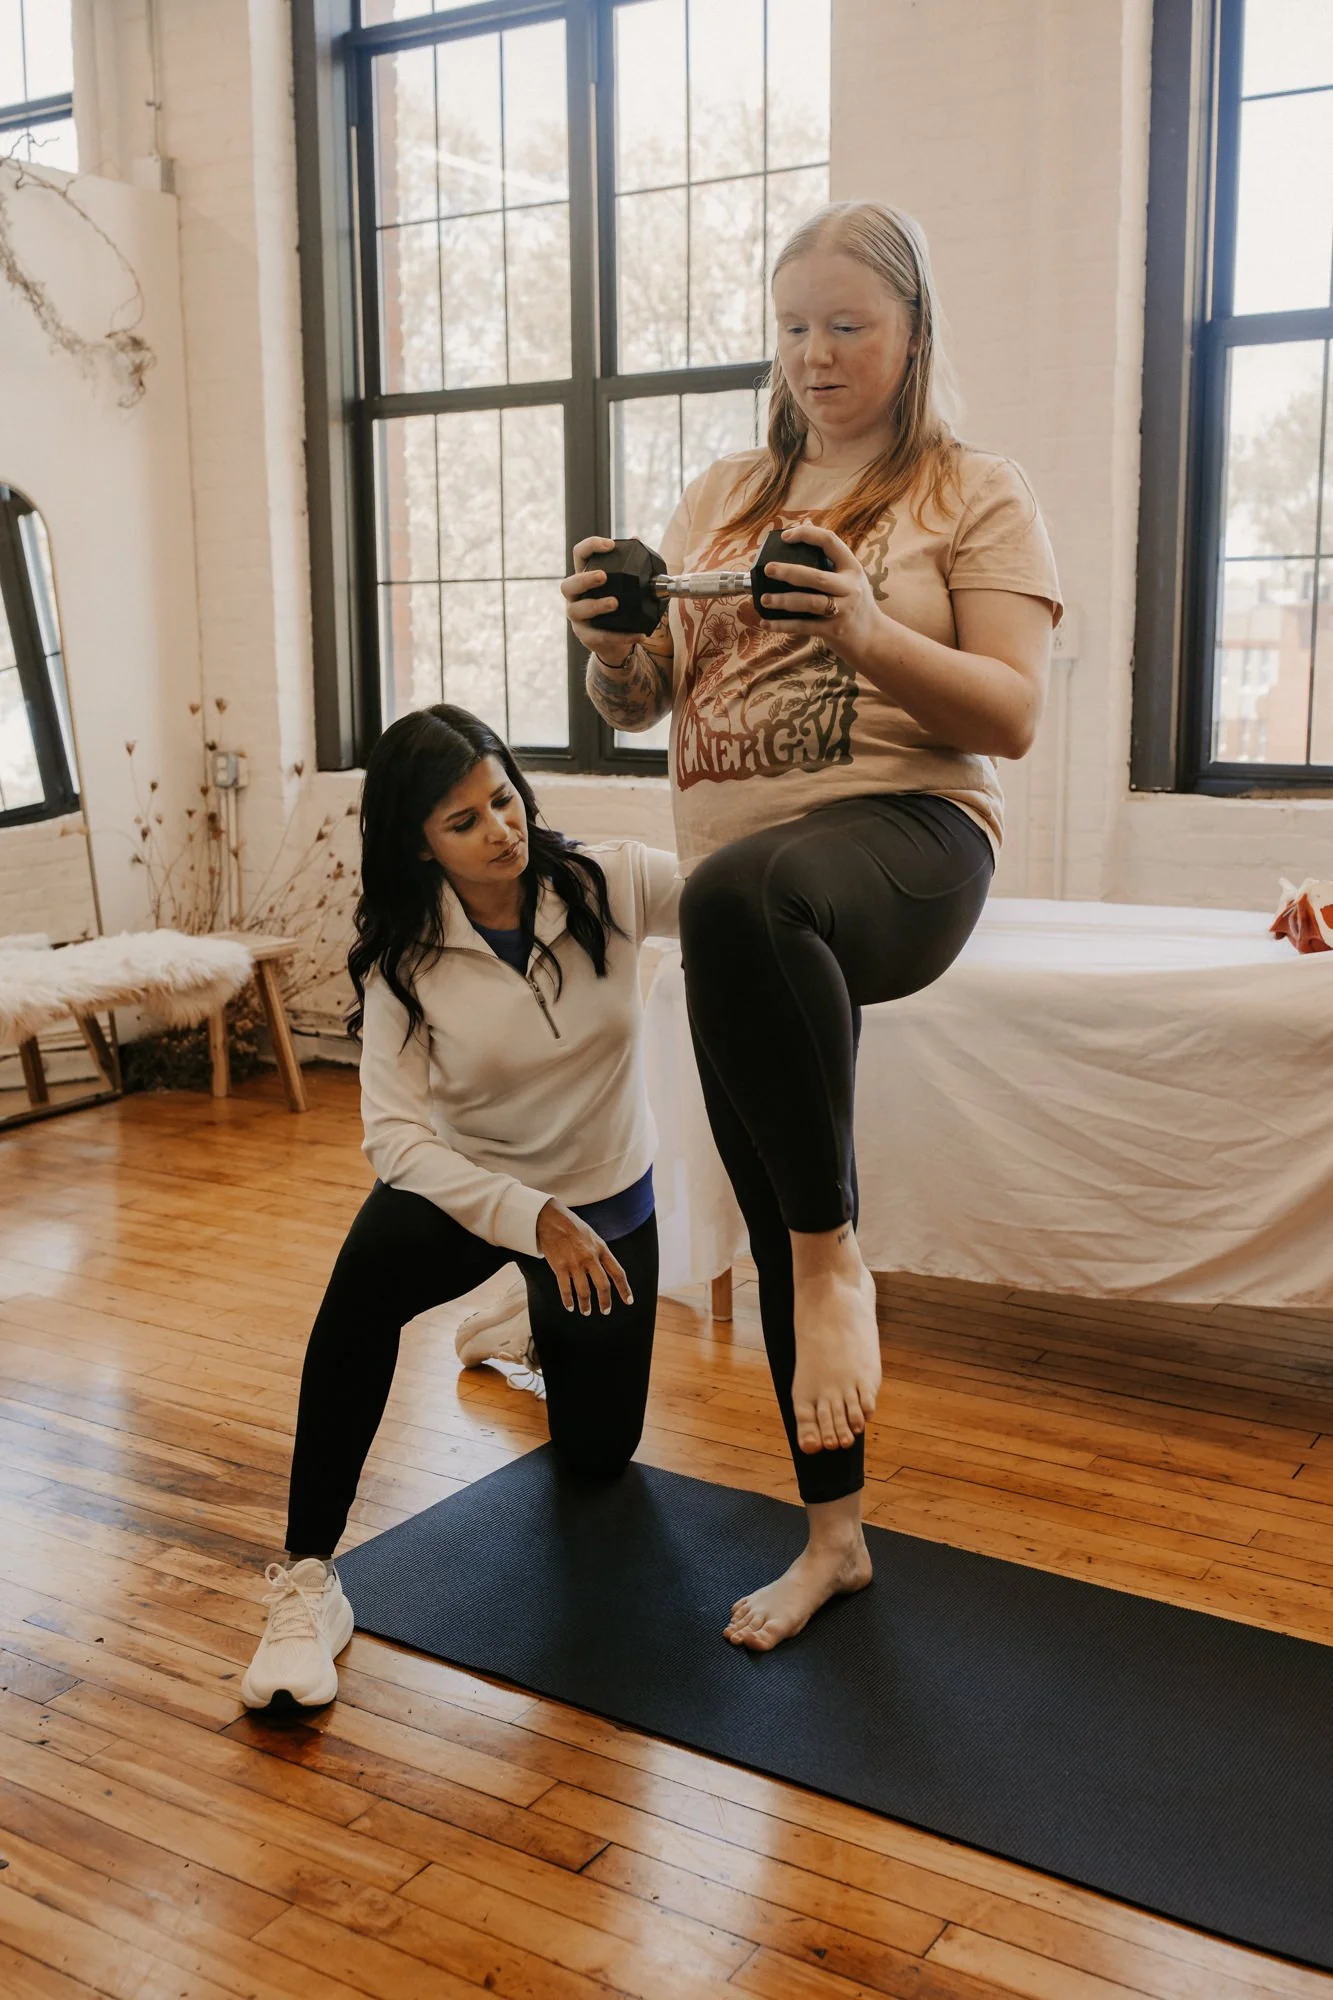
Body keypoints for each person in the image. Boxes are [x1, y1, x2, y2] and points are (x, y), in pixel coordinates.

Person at [563, 199, 1062, 1653]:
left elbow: (1013, 717)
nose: (817, 355)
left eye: (848, 325)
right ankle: (832, 1538)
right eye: (794, 328)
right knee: (786, 1181)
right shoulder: (721, 489)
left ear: (912, 334)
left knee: (809, 1224)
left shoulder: (971, 489)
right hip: (740, 905)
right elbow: (642, 701)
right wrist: (610, 647)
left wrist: (865, 633)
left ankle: (838, 1262)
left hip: (904, 843)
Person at [241, 705, 679, 1709]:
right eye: (463, 818)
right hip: (481, 1198)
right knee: (357, 1297)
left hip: (604, 1196)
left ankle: (524, 1319)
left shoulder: (610, 881)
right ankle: (307, 1579)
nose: (502, 828)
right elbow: (394, 1141)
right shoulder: (404, 955)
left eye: (504, 796)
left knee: (598, 1462)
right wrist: (529, 1218)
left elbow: (745, 901)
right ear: (417, 840)